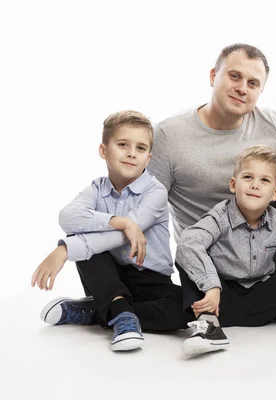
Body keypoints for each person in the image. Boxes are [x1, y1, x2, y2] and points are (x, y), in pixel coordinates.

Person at [31, 110, 192, 352]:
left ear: (148, 158)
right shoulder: (97, 188)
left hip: (150, 281)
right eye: (123, 144)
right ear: (104, 150)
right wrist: (123, 221)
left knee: (187, 309)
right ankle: (121, 316)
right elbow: (67, 216)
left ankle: (98, 312)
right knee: (83, 238)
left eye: (140, 148)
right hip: (108, 279)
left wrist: (65, 251)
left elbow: (119, 238)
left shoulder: (155, 192)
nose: (131, 153)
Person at [175, 146, 276, 357]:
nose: (255, 185)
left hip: (264, 302)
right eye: (248, 177)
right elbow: (188, 243)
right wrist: (212, 287)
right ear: (233, 184)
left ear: (275, 192)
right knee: (188, 257)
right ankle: (208, 327)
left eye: (264, 181)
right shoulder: (219, 217)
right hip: (220, 303)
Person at [147, 43, 276, 242]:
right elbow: (147, 209)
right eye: (234, 76)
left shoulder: (275, 124)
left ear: (261, 90)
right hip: (205, 252)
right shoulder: (168, 135)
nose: (242, 89)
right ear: (213, 76)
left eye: (253, 83)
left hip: (263, 245)